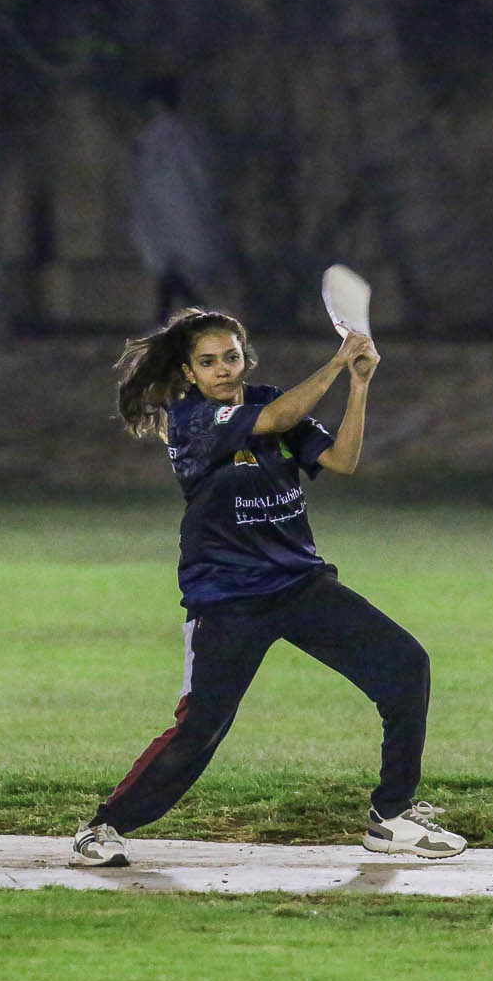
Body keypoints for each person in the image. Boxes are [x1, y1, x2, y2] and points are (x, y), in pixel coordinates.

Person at [72, 307, 466, 867]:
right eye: (208, 361)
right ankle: (103, 827)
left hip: (300, 584)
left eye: (231, 357)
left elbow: (342, 459)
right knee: (203, 726)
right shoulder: (191, 418)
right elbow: (279, 417)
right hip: (228, 597)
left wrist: (359, 384)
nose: (222, 369)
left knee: (406, 665)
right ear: (188, 373)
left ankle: (391, 816)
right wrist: (339, 360)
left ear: (245, 357)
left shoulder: (271, 400)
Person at [128, 77, 228, 324]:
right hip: (182, 209)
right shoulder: (187, 132)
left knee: (170, 267)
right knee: (170, 269)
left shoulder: (158, 135)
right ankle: (174, 316)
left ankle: (190, 314)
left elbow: (149, 175)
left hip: (165, 211)